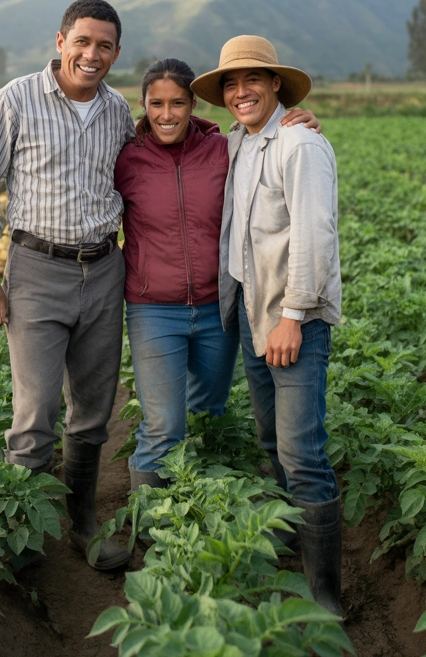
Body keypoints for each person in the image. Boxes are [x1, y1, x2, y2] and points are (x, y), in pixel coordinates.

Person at [0, 0, 133, 572]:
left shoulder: (118, 112)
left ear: (115, 52)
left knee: (93, 408)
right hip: (37, 269)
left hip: (105, 269)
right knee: (34, 412)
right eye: (82, 42)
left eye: (104, 45)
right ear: (60, 41)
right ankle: (22, 543)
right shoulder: (15, 100)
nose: (92, 54)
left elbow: (161, 154)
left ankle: (82, 522)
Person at [190, 35, 344, 615]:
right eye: (230, 84)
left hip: (289, 322)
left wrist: (293, 318)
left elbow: (314, 235)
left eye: (252, 79)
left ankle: (325, 597)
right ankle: (288, 552)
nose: (239, 92)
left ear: (276, 83)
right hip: (251, 313)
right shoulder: (238, 142)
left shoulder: (298, 144)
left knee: (303, 453)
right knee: (271, 443)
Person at [114, 60, 318, 492]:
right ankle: (152, 535)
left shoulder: (223, 148)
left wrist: (299, 121)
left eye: (177, 103)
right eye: (156, 104)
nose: (167, 113)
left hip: (216, 308)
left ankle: (203, 512)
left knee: (209, 414)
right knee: (164, 426)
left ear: (193, 105)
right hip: (153, 310)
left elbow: (268, 135)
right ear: (143, 106)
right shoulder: (125, 158)